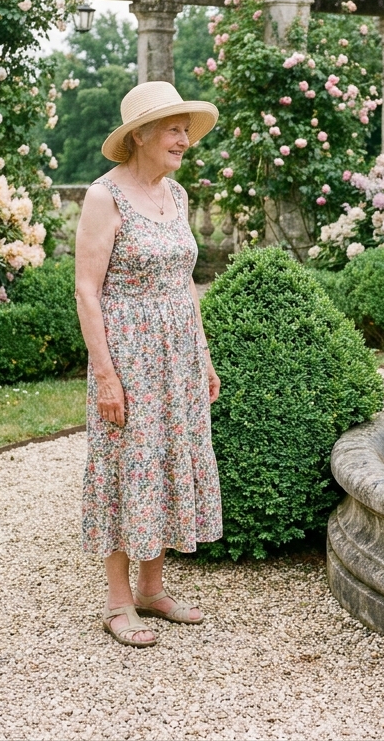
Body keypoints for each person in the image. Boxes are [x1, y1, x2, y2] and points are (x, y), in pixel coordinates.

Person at [74, 81, 223, 648]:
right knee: (124, 465)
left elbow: (186, 283)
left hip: (177, 356)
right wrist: (106, 375)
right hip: (129, 355)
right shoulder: (103, 196)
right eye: (173, 129)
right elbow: (87, 291)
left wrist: (203, 357)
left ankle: (152, 590)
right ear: (139, 135)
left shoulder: (177, 195)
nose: (183, 139)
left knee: (164, 462)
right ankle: (117, 602)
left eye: (186, 129)